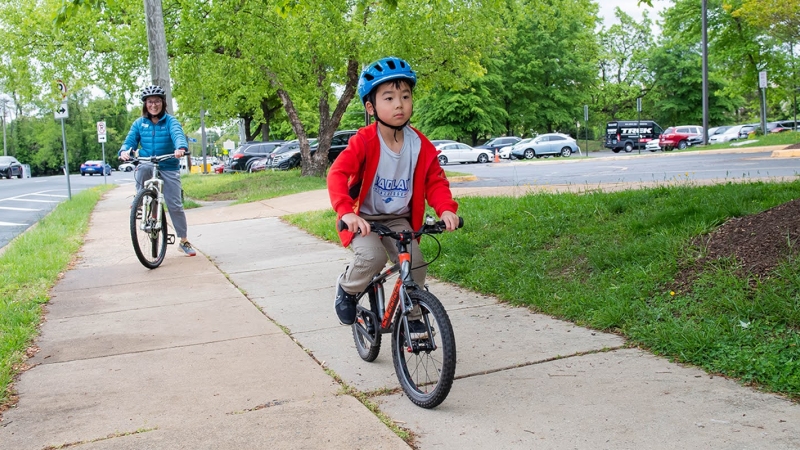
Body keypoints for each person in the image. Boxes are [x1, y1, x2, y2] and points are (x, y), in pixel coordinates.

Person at [327, 56, 460, 327]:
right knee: (372, 257)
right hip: (363, 219)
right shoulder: (364, 140)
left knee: (417, 264)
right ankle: (347, 290)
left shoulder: (420, 145)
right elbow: (337, 174)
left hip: (398, 218)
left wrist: (446, 208)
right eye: (388, 98)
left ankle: (411, 317)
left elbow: (435, 181)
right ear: (371, 106)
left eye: (405, 96)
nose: (399, 104)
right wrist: (345, 212)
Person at [119, 85, 196, 257]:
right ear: (145, 104)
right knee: (144, 167)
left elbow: (177, 135)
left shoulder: (170, 121)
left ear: (163, 103)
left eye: (157, 101)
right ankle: (140, 198)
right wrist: (124, 151)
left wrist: (180, 148)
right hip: (148, 161)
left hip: (168, 164)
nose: (154, 105)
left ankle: (183, 240)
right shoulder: (139, 124)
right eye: (150, 102)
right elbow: (130, 140)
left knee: (175, 204)